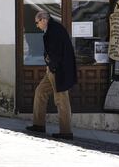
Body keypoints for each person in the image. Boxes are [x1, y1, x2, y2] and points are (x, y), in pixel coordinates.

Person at [26, 10, 77, 140]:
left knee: (61, 99)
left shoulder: (55, 30)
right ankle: (38, 124)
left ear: (43, 20)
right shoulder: (52, 29)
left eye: (37, 23)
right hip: (53, 70)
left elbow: (58, 52)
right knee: (40, 92)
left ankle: (66, 132)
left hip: (59, 71)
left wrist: (52, 66)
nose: (37, 26)